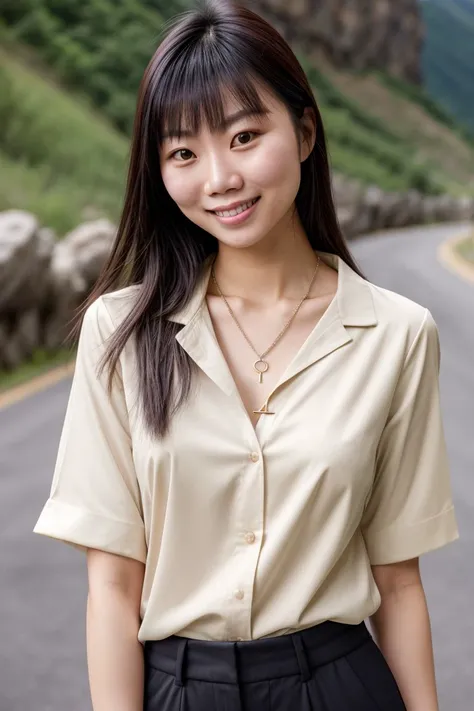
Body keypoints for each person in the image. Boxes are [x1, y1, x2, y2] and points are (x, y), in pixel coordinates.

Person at [33, 1, 460, 709]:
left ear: (304, 131)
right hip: (177, 687)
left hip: (340, 684)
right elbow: (111, 588)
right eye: (183, 153)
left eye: (243, 135)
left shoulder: (398, 334)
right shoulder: (122, 332)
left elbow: (399, 581)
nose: (219, 177)